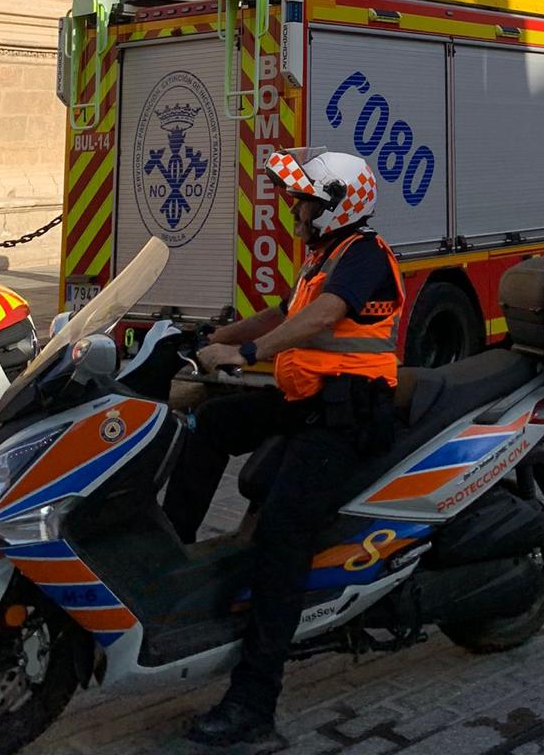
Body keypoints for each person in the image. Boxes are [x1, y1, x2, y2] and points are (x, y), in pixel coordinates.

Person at [163, 148, 404, 753]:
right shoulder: (323, 256)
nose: (293, 209)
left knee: (282, 533)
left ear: (336, 206)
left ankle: (254, 703)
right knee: (212, 423)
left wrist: (248, 355)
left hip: (348, 417)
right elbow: (283, 311)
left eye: (304, 201)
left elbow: (324, 314)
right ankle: (171, 552)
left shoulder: (364, 256)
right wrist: (214, 337)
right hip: (310, 399)